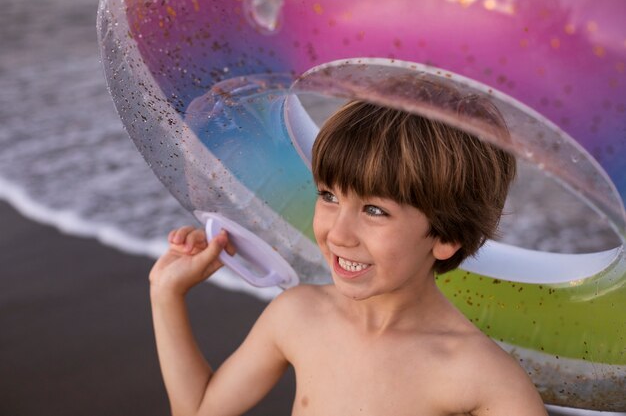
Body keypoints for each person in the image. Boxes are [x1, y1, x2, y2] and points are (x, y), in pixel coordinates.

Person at [149, 81, 548, 416]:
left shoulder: (481, 377)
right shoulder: (298, 315)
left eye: (374, 210)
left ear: (446, 237)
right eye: (329, 195)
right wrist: (166, 293)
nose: (338, 234)